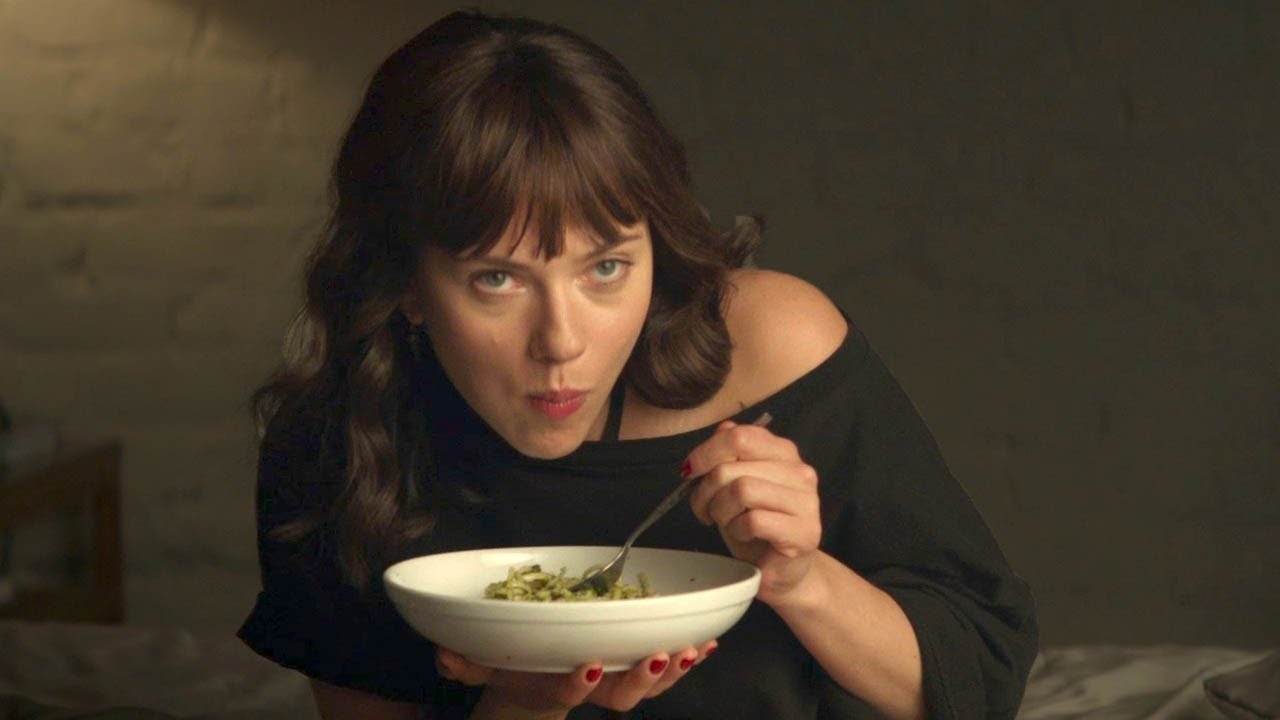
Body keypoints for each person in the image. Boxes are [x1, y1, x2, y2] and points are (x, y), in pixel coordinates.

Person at [238, 9, 1038, 720]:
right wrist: (525, 704)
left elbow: (980, 681)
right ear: (408, 284)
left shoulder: (773, 345)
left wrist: (801, 579)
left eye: (606, 268)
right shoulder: (335, 448)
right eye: (497, 279)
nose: (562, 342)